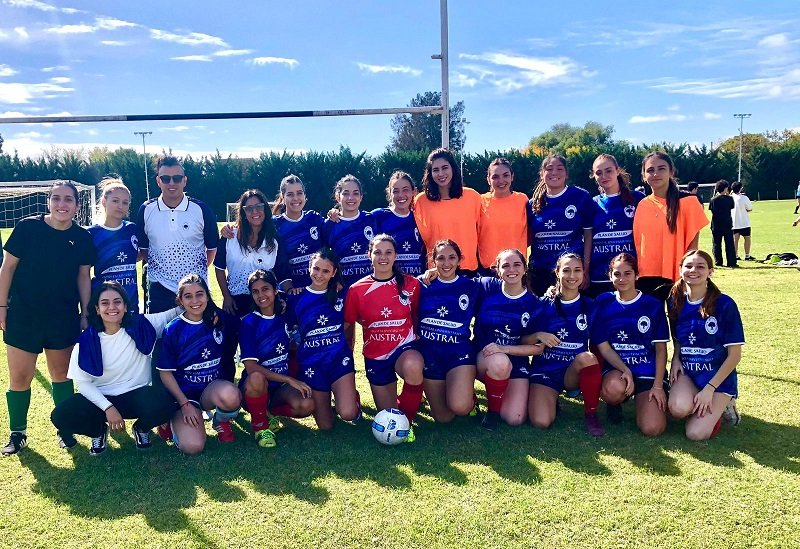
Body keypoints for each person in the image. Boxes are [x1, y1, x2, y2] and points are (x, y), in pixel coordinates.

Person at [0, 181, 95, 456]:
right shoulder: (28, 228)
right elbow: (7, 268)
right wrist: (2, 306)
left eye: (68, 200)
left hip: (62, 317)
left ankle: (64, 430)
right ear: (48, 202)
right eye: (56, 199)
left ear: (78, 206)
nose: (61, 204)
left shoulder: (82, 237)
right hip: (23, 315)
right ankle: (17, 433)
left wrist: (85, 313)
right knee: (19, 376)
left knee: (61, 376)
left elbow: (83, 276)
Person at [50, 281, 180, 455]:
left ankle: (141, 429)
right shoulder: (86, 341)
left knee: (168, 401)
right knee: (61, 415)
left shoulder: (142, 325)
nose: (112, 307)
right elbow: (83, 384)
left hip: (135, 395)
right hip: (100, 400)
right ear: (96, 309)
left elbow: (172, 315)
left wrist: (206, 306)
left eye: (117, 301)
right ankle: (98, 431)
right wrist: (107, 408)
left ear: (126, 306)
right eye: (105, 303)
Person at [344, 234, 424, 442]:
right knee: (387, 413)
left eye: (388, 252)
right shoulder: (356, 290)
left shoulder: (411, 284)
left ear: (396, 255)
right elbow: (350, 324)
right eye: (377, 252)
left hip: (404, 348)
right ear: (369, 255)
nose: (383, 257)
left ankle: (406, 423)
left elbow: (416, 314)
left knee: (414, 367)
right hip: (375, 355)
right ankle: (401, 410)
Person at [157, 274, 241, 455]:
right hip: (184, 397)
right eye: (188, 296)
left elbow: (249, 321)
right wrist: (184, 404)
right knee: (193, 447)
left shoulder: (218, 320)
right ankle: (172, 420)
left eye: (200, 294)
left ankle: (221, 421)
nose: (195, 300)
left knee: (232, 395)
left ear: (208, 295)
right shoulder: (173, 329)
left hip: (210, 390)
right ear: (180, 300)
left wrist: (282, 307)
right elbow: (165, 373)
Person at [667, 250, 744, 440]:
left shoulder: (725, 304)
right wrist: (676, 358)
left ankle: (724, 403)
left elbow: (735, 355)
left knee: (695, 434)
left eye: (700, 267)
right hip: (689, 373)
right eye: (688, 266)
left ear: (710, 271)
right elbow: (679, 338)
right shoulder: (674, 301)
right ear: (680, 270)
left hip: (717, 379)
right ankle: (697, 404)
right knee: (677, 410)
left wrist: (709, 389)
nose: (694, 270)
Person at [528, 253, 605, 437]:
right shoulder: (543, 303)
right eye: (566, 270)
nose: (572, 276)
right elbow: (524, 340)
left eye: (577, 270)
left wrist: (621, 369)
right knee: (541, 422)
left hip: (573, 372)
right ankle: (550, 399)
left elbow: (603, 345)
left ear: (583, 274)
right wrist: (539, 335)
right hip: (545, 371)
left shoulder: (589, 306)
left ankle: (591, 413)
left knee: (587, 358)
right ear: (557, 273)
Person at [593, 254, 669, 436]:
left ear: (636, 275)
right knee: (612, 390)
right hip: (618, 371)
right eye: (617, 274)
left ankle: (648, 402)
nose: (622, 279)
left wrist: (658, 386)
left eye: (627, 273)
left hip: (647, 372)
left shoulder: (652, 305)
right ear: (610, 276)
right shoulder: (603, 302)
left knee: (653, 429)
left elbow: (661, 350)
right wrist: (624, 369)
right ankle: (615, 403)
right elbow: (604, 347)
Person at [472, 249, 546, 430]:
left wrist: (503, 348)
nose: (511, 269)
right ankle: (492, 413)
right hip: (484, 355)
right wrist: (434, 271)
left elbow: (538, 348)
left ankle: (499, 391)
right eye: (505, 265)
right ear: (497, 269)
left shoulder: (533, 303)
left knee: (515, 418)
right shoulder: (487, 286)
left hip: (514, 358)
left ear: (524, 268)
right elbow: (456, 282)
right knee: (500, 363)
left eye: (517, 264)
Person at [287, 249, 361, 429]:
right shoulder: (296, 298)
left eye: (326, 271)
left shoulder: (342, 294)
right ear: (309, 268)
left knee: (348, 413)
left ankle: (351, 400)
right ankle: (329, 402)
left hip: (338, 361)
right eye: (316, 269)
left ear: (334, 273)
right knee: (326, 426)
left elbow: (349, 322)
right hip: (312, 364)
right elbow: (290, 331)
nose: (319, 275)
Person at [239, 270, 314, 448]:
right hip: (254, 388)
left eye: (265, 289)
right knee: (257, 377)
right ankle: (260, 426)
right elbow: (251, 368)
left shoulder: (284, 317)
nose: (261, 295)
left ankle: (269, 411)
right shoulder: (249, 322)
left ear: (275, 290)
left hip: (279, 389)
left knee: (307, 404)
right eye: (255, 291)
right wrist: (289, 379)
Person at [136, 155, 218, 314]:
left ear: (185, 180)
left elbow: (212, 249)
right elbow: (145, 249)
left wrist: (193, 277)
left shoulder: (201, 209)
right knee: (161, 338)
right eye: (165, 178)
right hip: (160, 288)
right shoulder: (146, 210)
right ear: (158, 181)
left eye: (177, 178)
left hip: (196, 289)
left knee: (198, 337)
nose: (171, 183)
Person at [214, 189, 280, 382]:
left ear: (265, 209)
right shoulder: (230, 236)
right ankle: (227, 397)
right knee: (227, 350)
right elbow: (219, 268)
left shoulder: (273, 239)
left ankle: (258, 393)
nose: (255, 211)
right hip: (234, 302)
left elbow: (277, 273)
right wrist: (226, 296)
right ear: (242, 211)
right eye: (249, 208)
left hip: (262, 304)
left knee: (261, 349)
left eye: (259, 206)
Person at [417, 240, 480, 423]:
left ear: (460, 260)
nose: (446, 263)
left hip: (459, 354)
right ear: (433, 261)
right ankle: (454, 390)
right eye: (441, 258)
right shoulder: (422, 284)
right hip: (430, 355)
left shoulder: (472, 286)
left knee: (459, 407)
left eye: (452, 257)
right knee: (443, 418)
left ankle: (469, 398)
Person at [632, 151, 709, 300]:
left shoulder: (688, 202)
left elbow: (693, 245)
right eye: (650, 170)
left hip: (680, 276)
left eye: (661, 168)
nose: (655, 174)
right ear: (643, 176)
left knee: (680, 322)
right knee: (652, 322)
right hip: (647, 277)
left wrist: (690, 272)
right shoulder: (642, 205)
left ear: (671, 172)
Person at [527, 155, 595, 296]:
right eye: (549, 169)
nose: (554, 173)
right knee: (542, 316)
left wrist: (586, 270)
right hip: (540, 272)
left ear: (566, 173)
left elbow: (588, 235)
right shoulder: (532, 204)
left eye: (559, 168)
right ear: (542, 174)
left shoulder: (581, 197)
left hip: (571, 272)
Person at [413, 148, 482, 274]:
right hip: (436, 270)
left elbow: (483, 233)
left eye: (445, 168)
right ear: (429, 173)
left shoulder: (473, 197)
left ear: (453, 169)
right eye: (435, 170)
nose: (440, 173)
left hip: (467, 269)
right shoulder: (421, 201)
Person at [587, 154, 645, 298]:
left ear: (617, 171)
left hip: (630, 276)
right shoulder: (591, 204)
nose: (604, 176)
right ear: (593, 176)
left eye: (608, 171)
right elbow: (586, 239)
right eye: (598, 173)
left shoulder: (637, 199)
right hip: (599, 276)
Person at [88, 176, 141, 312]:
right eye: (115, 201)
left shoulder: (132, 229)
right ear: (104, 201)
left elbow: (135, 254)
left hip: (130, 303)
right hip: (106, 304)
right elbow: (84, 272)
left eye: (125, 202)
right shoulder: (92, 234)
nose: (120, 206)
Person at [270, 174, 326, 290]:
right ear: (282, 197)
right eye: (290, 194)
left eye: (299, 193)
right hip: (291, 291)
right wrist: (289, 289)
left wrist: (334, 213)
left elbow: (329, 247)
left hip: (319, 287)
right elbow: (279, 263)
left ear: (305, 195)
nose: (296, 198)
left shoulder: (314, 218)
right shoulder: (274, 224)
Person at [323, 175, 377, 290]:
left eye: (356, 193)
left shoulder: (370, 219)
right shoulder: (330, 224)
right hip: (344, 288)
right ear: (338, 197)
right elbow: (325, 256)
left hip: (371, 286)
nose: (351, 197)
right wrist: (334, 281)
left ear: (361, 197)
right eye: (346, 193)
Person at [478, 158, 529, 275]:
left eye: (505, 175)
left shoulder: (522, 200)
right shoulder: (480, 201)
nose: (501, 181)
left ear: (512, 176)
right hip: (489, 270)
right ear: (488, 180)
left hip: (516, 269)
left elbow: (530, 232)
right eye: (495, 177)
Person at [370, 171, 425, 277]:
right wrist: (335, 213)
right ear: (389, 193)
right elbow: (354, 219)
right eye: (395, 191)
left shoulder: (421, 217)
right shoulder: (378, 216)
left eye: (405, 190)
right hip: (389, 283)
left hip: (417, 282)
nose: (401, 195)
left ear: (414, 192)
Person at [708, 180, 737, 268]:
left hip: (716, 224)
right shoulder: (729, 199)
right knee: (729, 243)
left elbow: (711, 209)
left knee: (716, 243)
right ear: (725, 189)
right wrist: (728, 195)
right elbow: (732, 206)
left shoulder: (713, 200)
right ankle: (731, 262)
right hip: (727, 224)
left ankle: (718, 261)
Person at [731, 181, 755, 261]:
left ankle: (735, 255)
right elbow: (749, 208)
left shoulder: (730, 198)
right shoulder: (744, 198)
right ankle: (747, 255)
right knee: (747, 238)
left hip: (734, 222)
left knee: (735, 239)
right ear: (740, 188)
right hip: (744, 222)